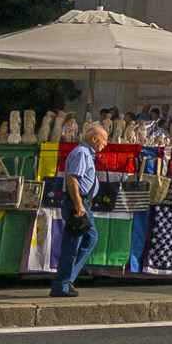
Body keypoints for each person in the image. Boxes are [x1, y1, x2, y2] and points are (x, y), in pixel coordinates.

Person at [51, 123, 108, 297]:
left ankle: (66, 280)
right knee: (73, 244)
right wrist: (78, 204)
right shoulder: (82, 153)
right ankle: (62, 284)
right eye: (104, 140)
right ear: (94, 138)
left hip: (82, 203)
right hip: (77, 203)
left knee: (89, 238)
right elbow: (72, 180)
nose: (105, 144)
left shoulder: (86, 153)